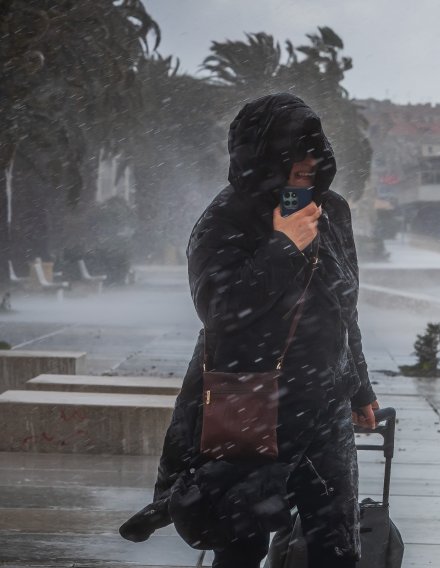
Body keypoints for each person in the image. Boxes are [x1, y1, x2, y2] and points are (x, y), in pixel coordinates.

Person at [120, 93, 379, 568]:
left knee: (335, 544)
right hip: (249, 401)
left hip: (324, 405)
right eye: (292, 152)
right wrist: (283, 245)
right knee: (239, 542)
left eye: (313, 149)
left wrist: (360, 387)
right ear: (261, 157)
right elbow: (220, 311)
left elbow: (345, 307)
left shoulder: (332, 211)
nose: (306, 163)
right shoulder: (225, 219)